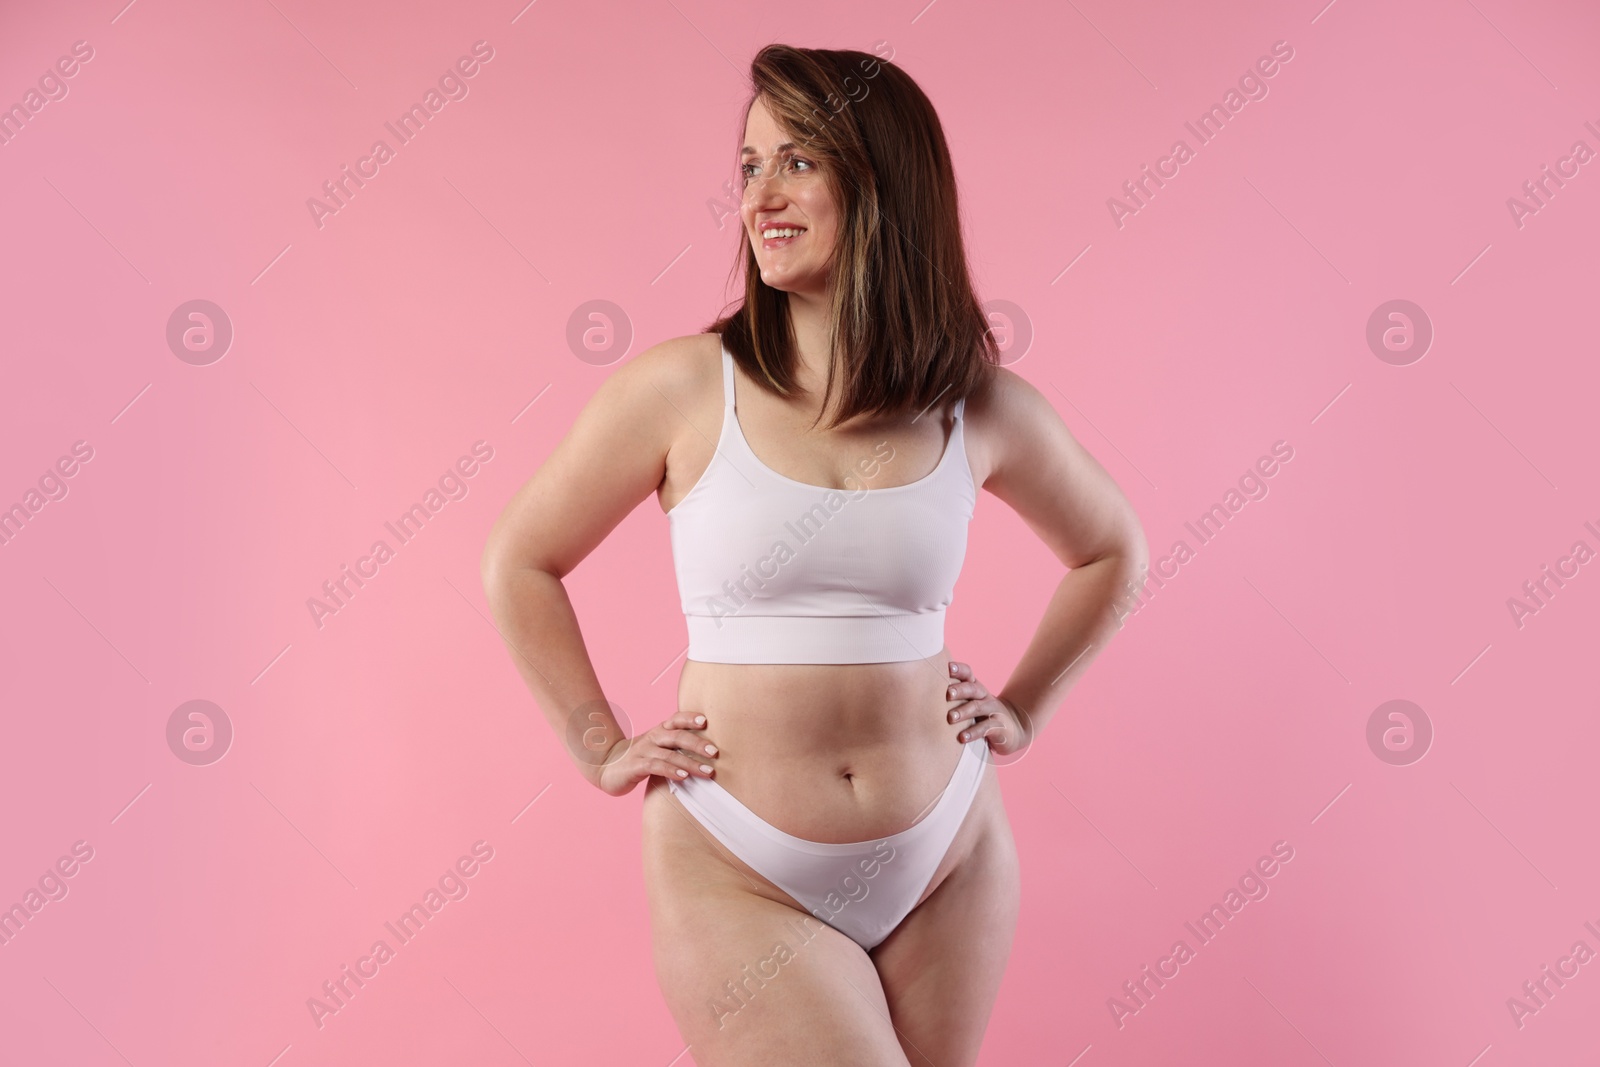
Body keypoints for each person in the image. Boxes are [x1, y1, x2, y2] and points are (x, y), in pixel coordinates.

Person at [480, 43, 1147, 1067]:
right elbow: (520, 559)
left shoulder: (976, 404)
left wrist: (1022, 704)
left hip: (948, 850)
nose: (759, 196)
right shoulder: (682, 389)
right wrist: (598, 743)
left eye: (796, 160)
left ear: (882, 181)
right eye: (748, 167)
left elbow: (1111, 549)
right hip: (737, 859)